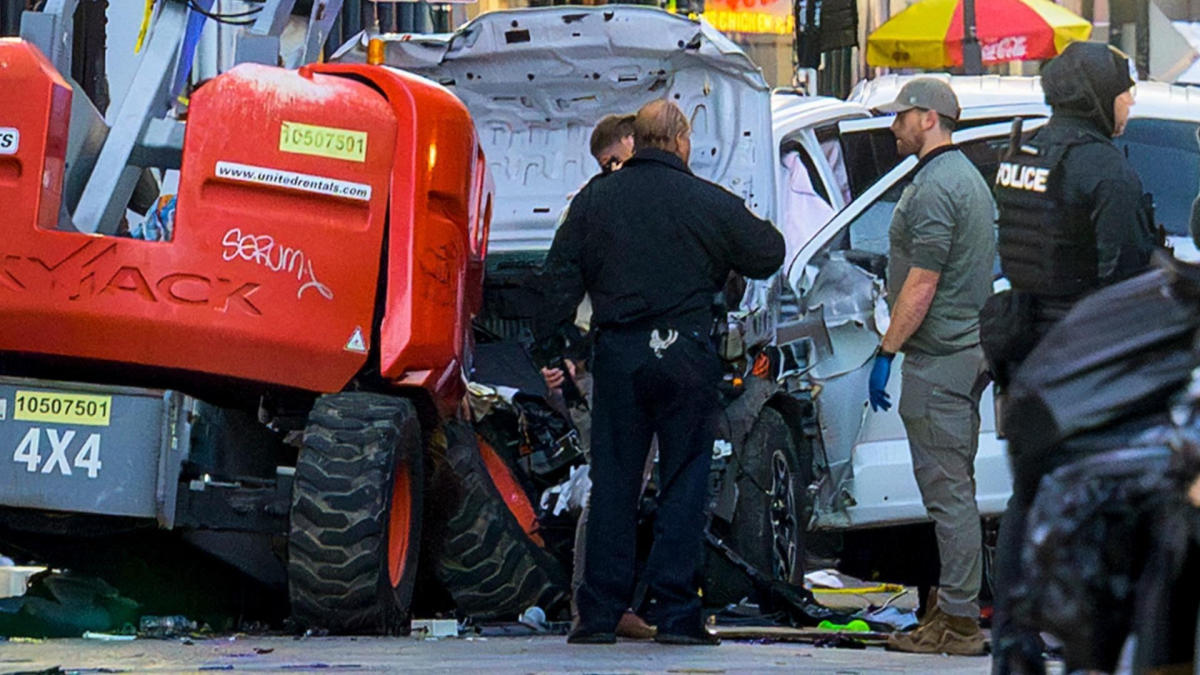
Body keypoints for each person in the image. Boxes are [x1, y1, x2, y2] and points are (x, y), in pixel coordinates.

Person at [536, 99, 784, 645]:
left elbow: (555, 280)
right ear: (680, 140)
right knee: (684, 481)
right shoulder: (706, 201)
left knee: (614, 486)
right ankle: (677, 614)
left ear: (638, 140)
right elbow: (768, 251)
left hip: (620, 356)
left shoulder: (595, 200)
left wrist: (559, 348)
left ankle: (598, 614)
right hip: (686, 356)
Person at [987, 42, 1158, 674]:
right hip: (1084, 362)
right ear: (1094, 94)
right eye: (1124, 88)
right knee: (1105, 504)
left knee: (1028, 500)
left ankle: (1015, 646)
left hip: (1026, 350)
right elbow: (1128, 281)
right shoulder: (1104, 171)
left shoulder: (1021, 153)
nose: (1131, 101)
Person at [866, 78, 996, 656]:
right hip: (959, 353)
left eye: (901, 117)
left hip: (940, 359)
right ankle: (949, 611)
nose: (893, 127)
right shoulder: (962, 178)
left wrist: (886, 350)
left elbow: (922, 283)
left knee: (948, 495)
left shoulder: (938, 185)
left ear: (928, 118)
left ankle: (961, 623)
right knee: (954, 489)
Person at [538, 113, 656, 641]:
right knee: (611, 485)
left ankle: (605, 599)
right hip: (597, 364)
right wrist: (568, 354)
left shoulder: (601, 203)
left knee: (620, 485)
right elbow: (567, 285)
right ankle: (595, 603)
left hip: (610, 360)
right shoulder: (596, 206)